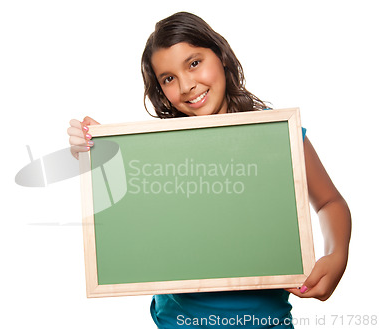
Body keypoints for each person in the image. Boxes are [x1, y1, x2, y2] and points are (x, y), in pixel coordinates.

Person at [67, 12, 351, 328]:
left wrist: (337, 254)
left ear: (222, 57)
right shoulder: (160, 148)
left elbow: (330, 203)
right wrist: (95, 147)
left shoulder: (275, 133)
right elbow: (131, 215)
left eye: (193, 63)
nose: (187, 85)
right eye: (168, 78)